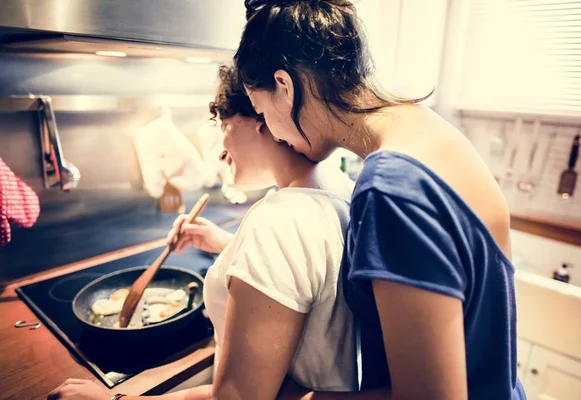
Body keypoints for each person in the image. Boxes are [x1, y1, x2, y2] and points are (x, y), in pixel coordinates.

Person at [233, 1, 527, 399]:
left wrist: (292, 396)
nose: (271, 131)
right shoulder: (428, 131)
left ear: (284, 88)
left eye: (260, 110)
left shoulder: (390, 187)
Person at [48, 65, 357, 400]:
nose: (221, 151)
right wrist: (230, 246)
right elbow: (312, 281)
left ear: (261, 115)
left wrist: (113, 399)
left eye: (224, 126)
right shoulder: (343, 191)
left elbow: (236, 397)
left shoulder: (278, 221)